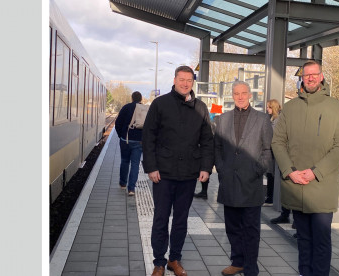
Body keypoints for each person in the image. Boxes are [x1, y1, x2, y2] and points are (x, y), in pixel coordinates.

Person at [271, 60, 339, 276]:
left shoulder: (338, 108)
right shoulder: (291, 107)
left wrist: (315, 172)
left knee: (321, 240)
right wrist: (289, 171)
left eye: (314, 74)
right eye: (306, 75)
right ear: (302, 78)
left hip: (322, 187)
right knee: (303, 239)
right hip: (296, 186)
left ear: (321, 76)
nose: (310, 78)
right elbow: (278, 142)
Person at [142, 65, 214, 276]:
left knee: (181, 219)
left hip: (188, 174)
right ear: (174, 80)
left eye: (189, 80)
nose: (185, 83)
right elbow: (148, 137)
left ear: (193, 83)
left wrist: (206, 167)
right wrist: (151, 167)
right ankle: (159, 262)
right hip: (162, 174)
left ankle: (175, 259)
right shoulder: (160, 104)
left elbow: (207, 140)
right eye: (181, 79)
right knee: (161, 218)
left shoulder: (200, 107)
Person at [214, 81, 273, 276]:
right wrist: (222, 170)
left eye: (244, 93)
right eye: (237, 93)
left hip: (251, 184)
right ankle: (237, 261)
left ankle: (250, 267)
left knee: (251, 230)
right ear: (232, 96)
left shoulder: (262, 119)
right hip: (229, 182)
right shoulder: (222, 119)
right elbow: (218, 148)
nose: (240, 96)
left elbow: (267, 149)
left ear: (250, 95)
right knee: (232, 227)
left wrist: (258, 170)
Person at [114, 91, 144, 196]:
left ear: (132, 98)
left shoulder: (126, 107)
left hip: (125, 140)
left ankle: (123, 184)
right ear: (141, 99)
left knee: (125, 161)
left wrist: (121, 135)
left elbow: (117, 123)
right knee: (135, 164)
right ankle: (131, 189)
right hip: (139, 141)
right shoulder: (144, 109)